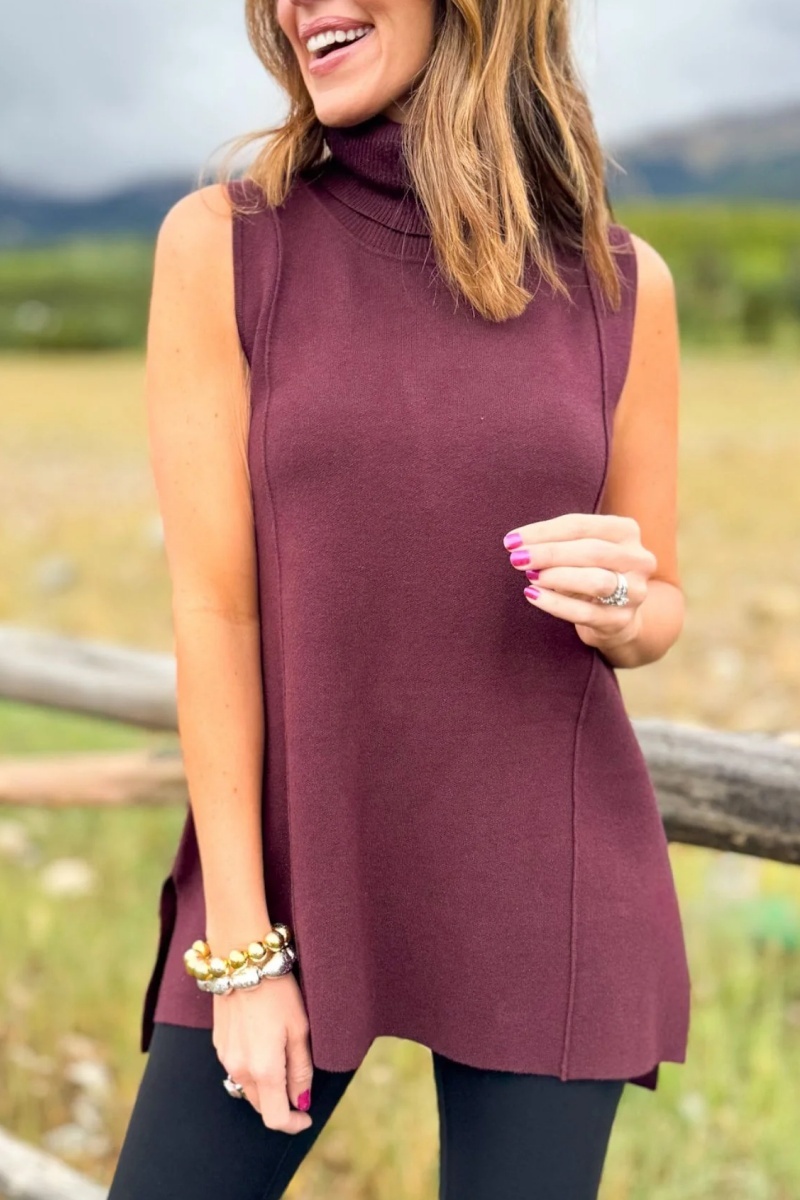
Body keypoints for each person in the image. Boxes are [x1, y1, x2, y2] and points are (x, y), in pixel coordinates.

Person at [108, 1, 691, 1196]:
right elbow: (215, 614)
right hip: (290, 876)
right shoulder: (225, 243)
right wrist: (241, 950)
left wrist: (622, 609)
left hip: (549, 876)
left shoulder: (622, 281)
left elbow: (658, 600)